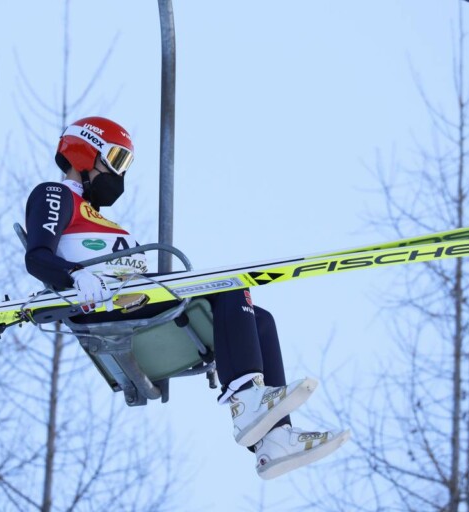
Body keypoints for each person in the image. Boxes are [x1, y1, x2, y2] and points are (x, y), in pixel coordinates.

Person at [24, 116, 350, 480]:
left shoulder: (104, 221)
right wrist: (74, 276)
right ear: (86, 151)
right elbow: (37, 256)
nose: (119, 174)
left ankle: (274, 440)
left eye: (125, 165)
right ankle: (245, 398)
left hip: (136, 299)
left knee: (261, 319)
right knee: (226, 284)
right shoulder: (55, 195)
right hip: (105, 304)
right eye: (115, 160)